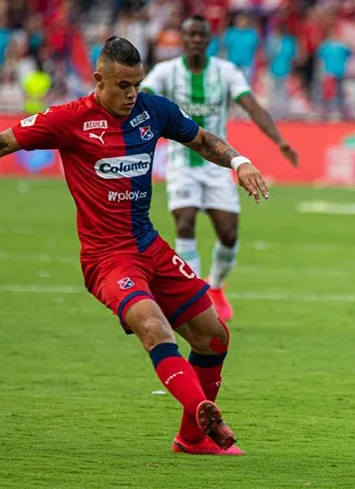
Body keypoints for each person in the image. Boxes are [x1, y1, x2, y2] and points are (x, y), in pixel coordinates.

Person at [0, 36, 271, 456]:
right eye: (123, 85)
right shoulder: (68, 120)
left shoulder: (153, 110)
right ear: (99, 79)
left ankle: (192, 438)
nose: (131, 94)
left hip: (150, 246)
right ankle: (199, 405)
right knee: (153, 327)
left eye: (137, 84)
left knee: (213, 337)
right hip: (107, 259)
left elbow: (202, 140)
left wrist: (240, 162)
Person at [140, 15, 298, 322]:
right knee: (184, 222)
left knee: (228, 233)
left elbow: (251, 105)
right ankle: (195, 293)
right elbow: (142, 97)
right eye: (191, 35)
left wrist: (279, 141)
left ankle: (216, 285)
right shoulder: (167, 71)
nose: (196, 40)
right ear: (183, 40)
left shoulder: (225, 72)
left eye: (201, 35)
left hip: (217, 163)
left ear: (209, 40)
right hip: (181, 163)